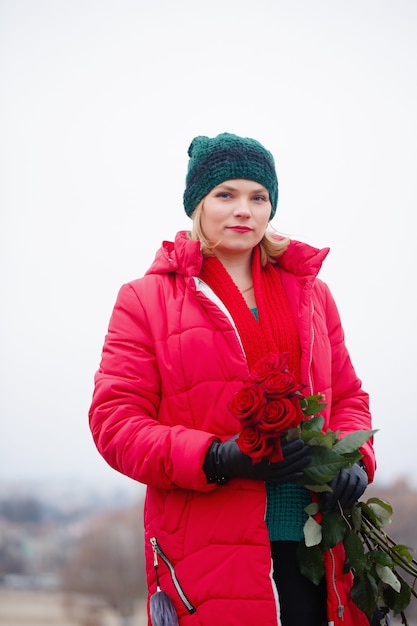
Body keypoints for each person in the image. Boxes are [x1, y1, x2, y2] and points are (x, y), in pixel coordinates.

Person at [89, 132, 376, 626]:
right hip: (208, 552)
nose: (244, 209)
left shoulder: (313, 294)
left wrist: (357, 459)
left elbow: (349, 396)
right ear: (197, 204)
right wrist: (216, 457)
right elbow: (114, 423)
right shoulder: (145, 299)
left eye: (258, 197)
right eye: (226, 194)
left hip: (316, 545)